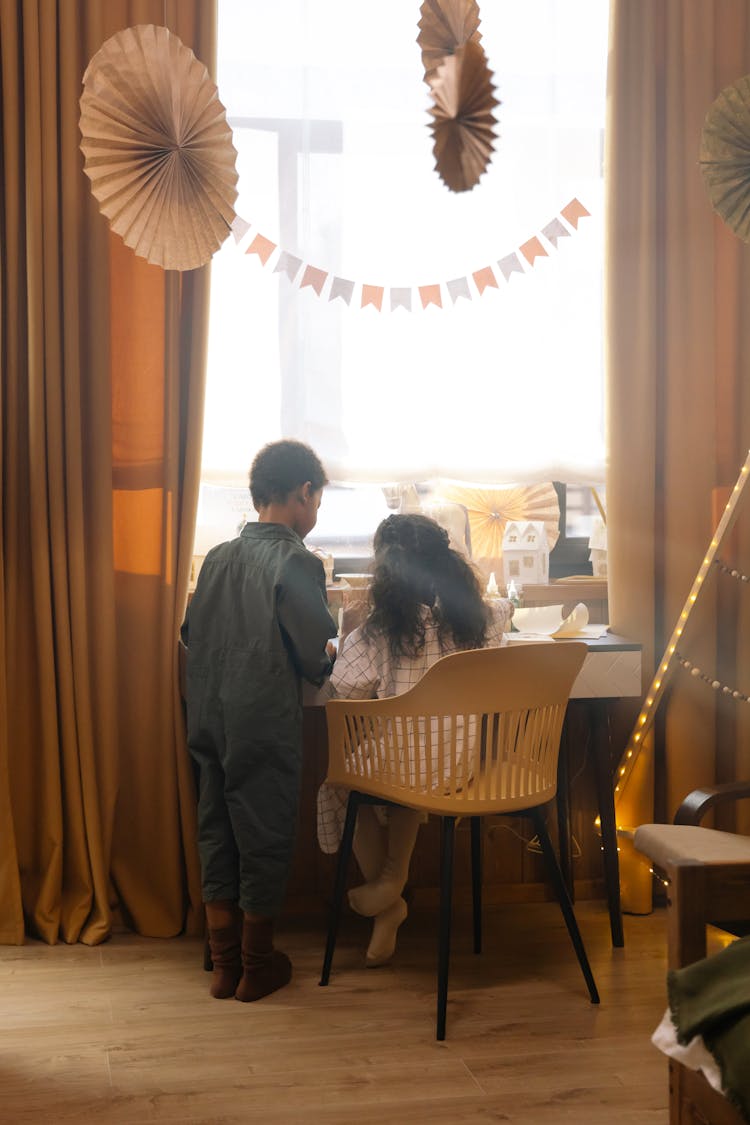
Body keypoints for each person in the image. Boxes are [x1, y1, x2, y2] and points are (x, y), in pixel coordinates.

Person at [317, 513, 512, 967]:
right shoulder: (480, 622)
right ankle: (390, 888)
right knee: (410, 778)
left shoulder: (378, 632)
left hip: (406, 769)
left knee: (342, 784)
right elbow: (503, 635)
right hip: (462, 766)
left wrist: (347, 634)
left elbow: (342, 691)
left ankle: (388, 897)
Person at [182, 440, 337, 1002]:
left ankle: (223, 966)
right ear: (303, 493)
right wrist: (331, 655)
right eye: (317, 502)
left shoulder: (219, 557)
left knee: (215, 827)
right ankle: (256, 964)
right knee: (264, 830)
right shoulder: (296, 560)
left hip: (207, 712)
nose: (316, 515)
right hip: (260, 718)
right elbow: (312, 652)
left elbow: (190, 633)